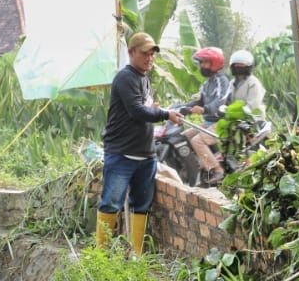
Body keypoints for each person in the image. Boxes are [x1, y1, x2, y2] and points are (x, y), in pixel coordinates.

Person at [97, 31, 185, 254]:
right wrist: (166, 114)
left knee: (141, 205)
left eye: (152, 55)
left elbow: (144, 109)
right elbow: (136, 111)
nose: (149, 58)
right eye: (144, 54)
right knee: (111, 203)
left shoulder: (143, 80)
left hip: (145, 156)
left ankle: (137, 254)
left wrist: (157, 110)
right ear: (131, 53)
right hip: (122, 154)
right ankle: (100, 255)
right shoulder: (125, 78)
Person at [183, 47, 231, 186]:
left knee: (197, 140)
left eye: (204, 62)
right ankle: (201, 164)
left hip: (222, 122)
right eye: (201, 62)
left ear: (214, 62)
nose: (201, 66)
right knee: (185, 136)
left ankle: (218, 170)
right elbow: (200, 100)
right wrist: (184, 107)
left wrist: (204, 109)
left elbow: (220, 101)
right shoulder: (207, 83)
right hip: (209, 122)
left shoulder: (222, 81)